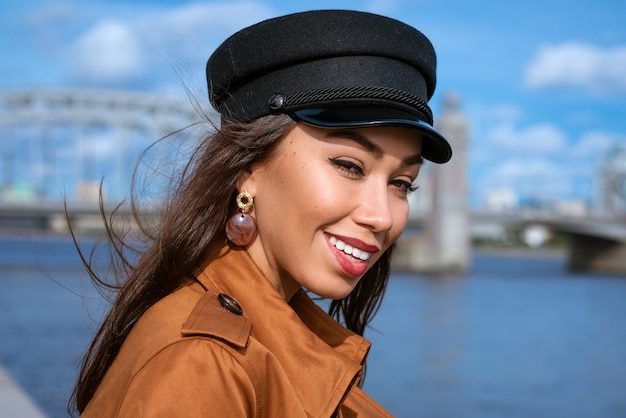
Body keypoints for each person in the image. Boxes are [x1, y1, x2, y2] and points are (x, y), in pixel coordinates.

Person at [70, 9, 452, 417]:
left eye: (402, 184)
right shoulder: (203, 363)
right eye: (349, 166)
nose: (383, 217)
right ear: (248, 172)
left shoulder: (262, 337)